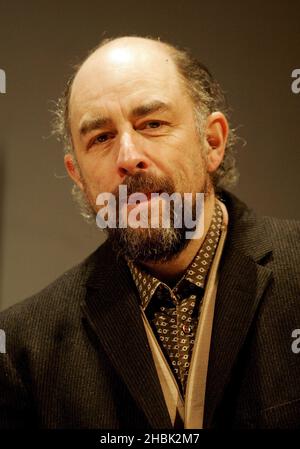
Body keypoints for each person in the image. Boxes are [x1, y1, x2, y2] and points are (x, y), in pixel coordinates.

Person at [0, 35, 299, 430]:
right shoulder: (24, 349)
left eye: (153, 124)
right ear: (78, 177)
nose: (127, 157)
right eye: (101, 137)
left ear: (212, 142)